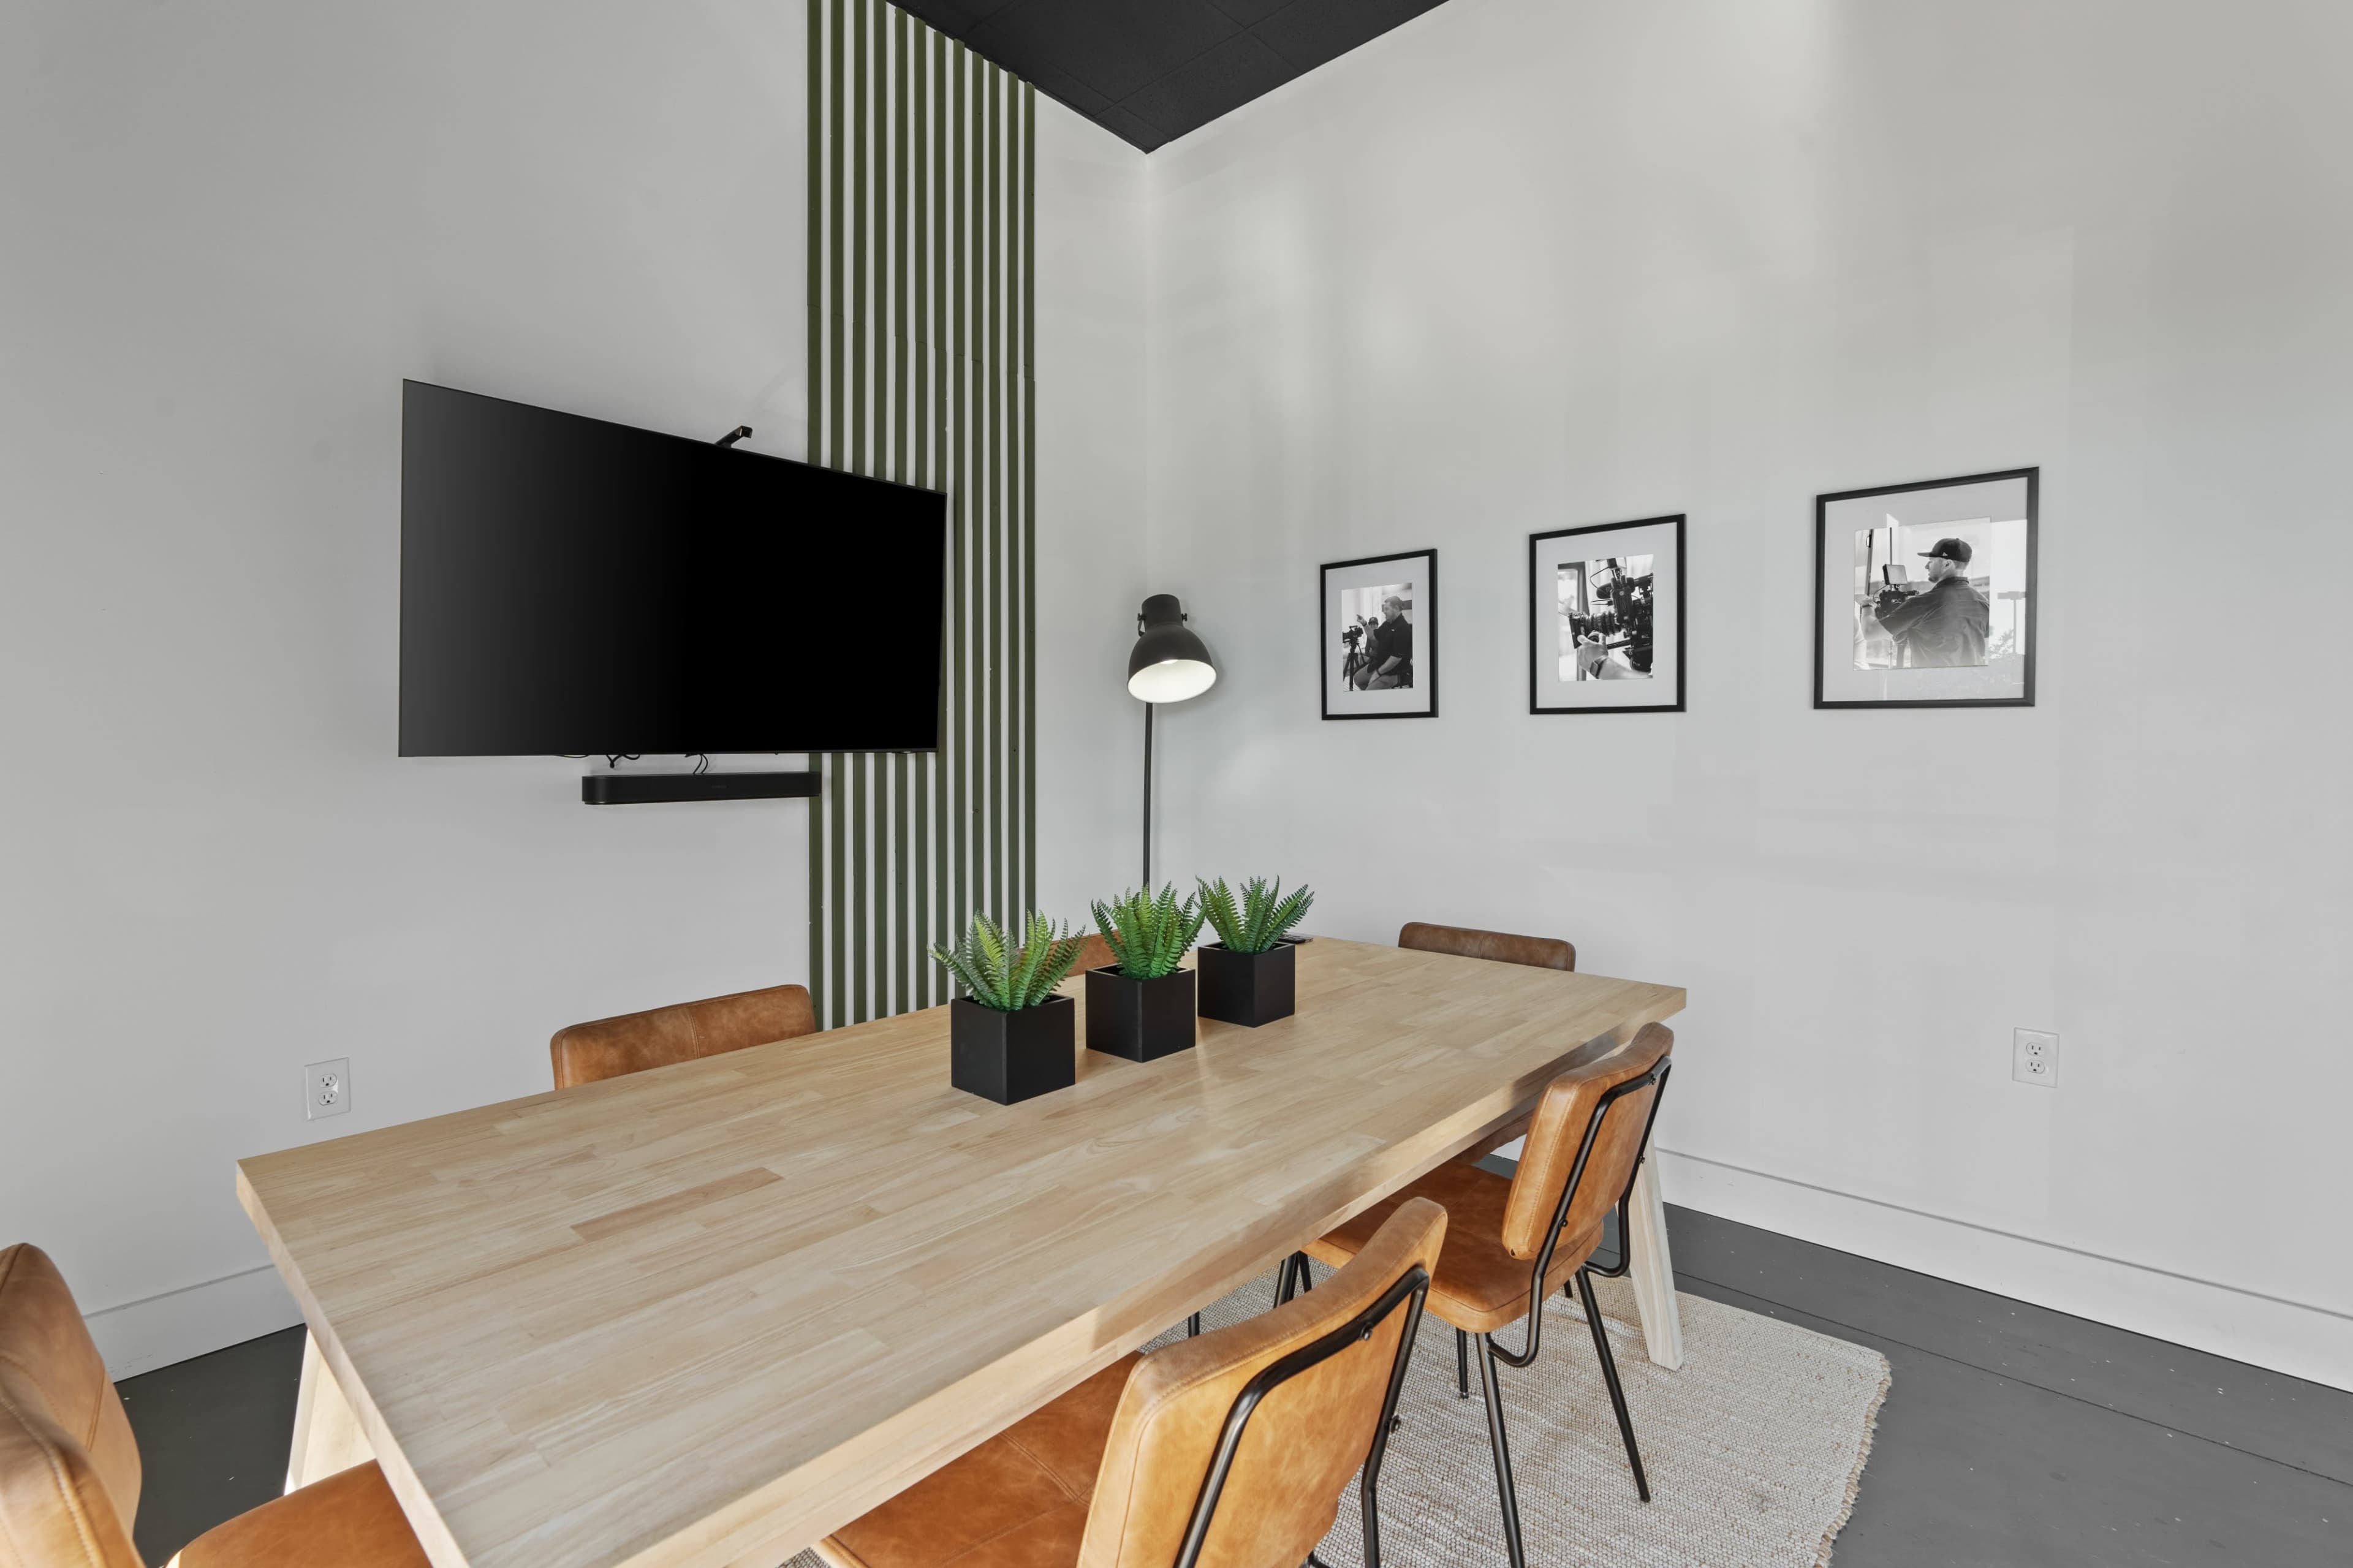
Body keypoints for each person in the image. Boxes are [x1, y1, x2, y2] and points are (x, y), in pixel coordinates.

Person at [1874, 537, 1988, 668]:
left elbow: (1870, 633)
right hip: (1972, 683)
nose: (1926, 566)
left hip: (1930, 684)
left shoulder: (1925, 602)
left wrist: (1867, 608)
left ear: (1947, 564)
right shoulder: (1982, 602)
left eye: (1931, 561)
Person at [1354, 595, 1412, 689]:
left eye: (1387, 609)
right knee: (1357, 679)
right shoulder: (1387, 624)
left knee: (1370, 690)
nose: (1384, 611)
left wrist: (1378, 673)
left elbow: (1396, 659)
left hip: (1395, 671)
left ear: (1396, 608)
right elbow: (1373, 636)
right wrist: (1364, 623)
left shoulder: (1403, 628)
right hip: (1380, 663)